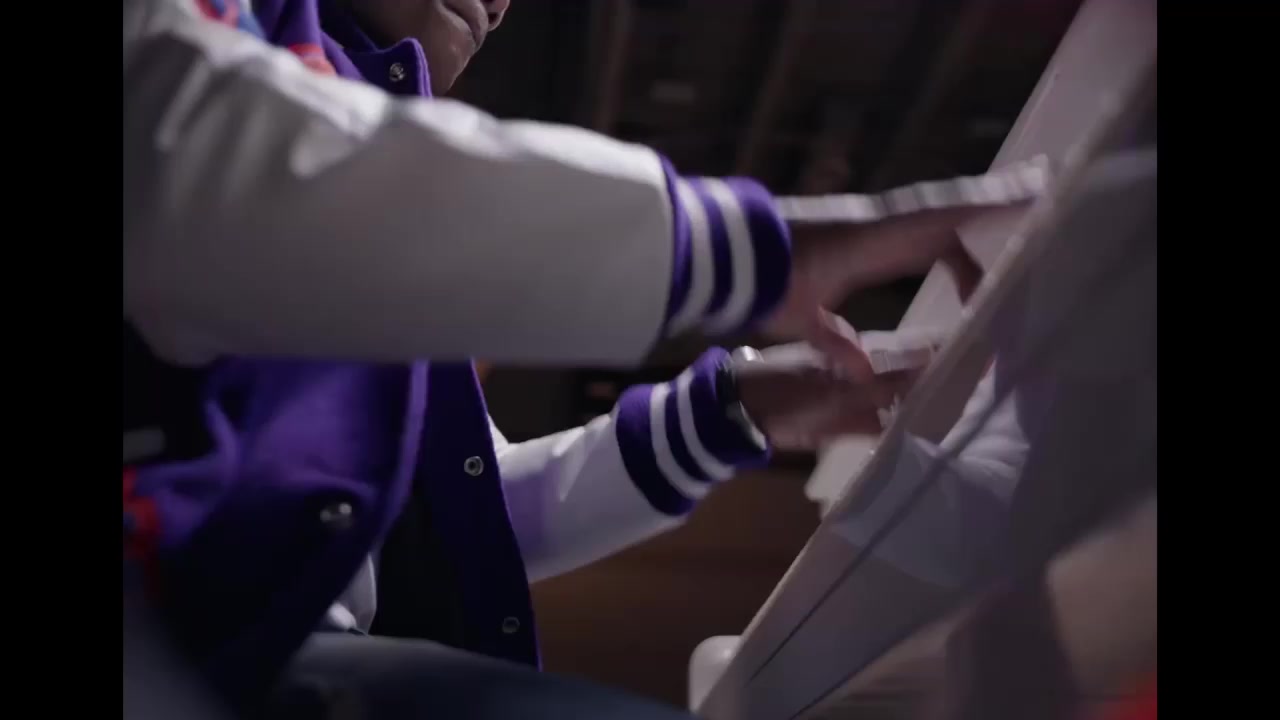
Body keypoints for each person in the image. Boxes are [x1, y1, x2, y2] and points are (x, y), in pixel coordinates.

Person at [123, 0, 1029, 715]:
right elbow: (182, 137)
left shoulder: (346, 131)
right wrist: (748, 249)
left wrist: (734, 410)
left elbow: (474, 517)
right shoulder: (235, 61)